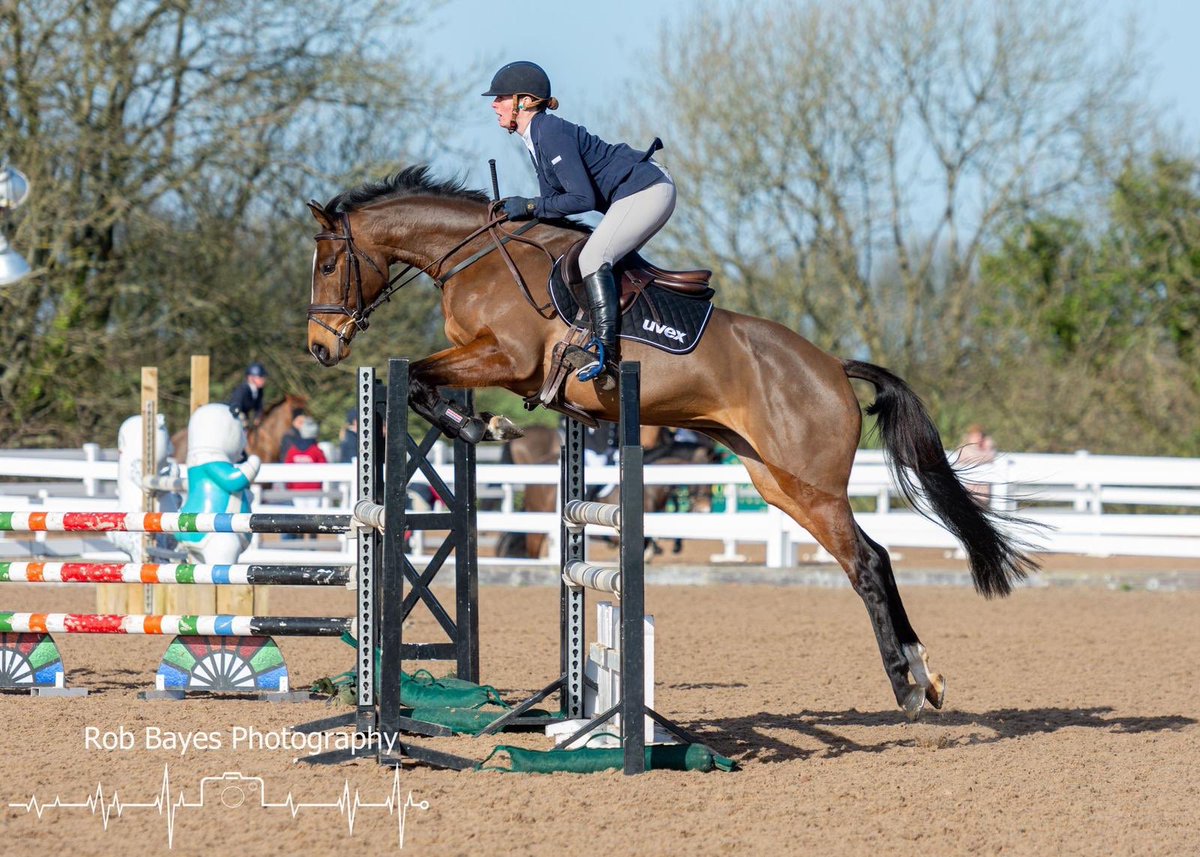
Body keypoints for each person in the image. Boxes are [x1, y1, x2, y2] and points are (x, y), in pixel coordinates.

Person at [483, 60, 675, 383]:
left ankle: (605, 353)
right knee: (586, 256)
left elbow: (580, 199)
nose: (494, 104)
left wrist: (528, 205)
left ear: (524, 102)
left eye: (501, 97)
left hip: (648, 189)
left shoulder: (550, 131)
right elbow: (553, 207)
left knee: (593, 257)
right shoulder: (535, 139)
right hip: (637, 193)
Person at [283, 416, 327, 540]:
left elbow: (287, 470)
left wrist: (289, 487)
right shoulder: (316, 450)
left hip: (297, 490)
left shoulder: (292, 450)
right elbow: (325, 470)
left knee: (300, 519)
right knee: (314, 520)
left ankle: (300, 544)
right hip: (314, 490)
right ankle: (311, 545)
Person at [958, 424, 997, 504]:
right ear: (969, 437)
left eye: (980, 436)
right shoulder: (963, 449)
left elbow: (992, 456)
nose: (978, 439)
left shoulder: (986, 450)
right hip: (968, 494)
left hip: (984, 496)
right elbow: (972, 457)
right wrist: (985, 451)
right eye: (975, 436)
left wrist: (988, 447)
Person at [228, 362, 268, 426]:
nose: (263, 380)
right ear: (251, 378)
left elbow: (259, 407)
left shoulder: (259, 391)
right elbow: (235, 406)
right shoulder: (241, 390)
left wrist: (258, 417)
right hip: (234, 418)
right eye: (260, 377)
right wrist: (242, 418)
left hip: (246, 419)